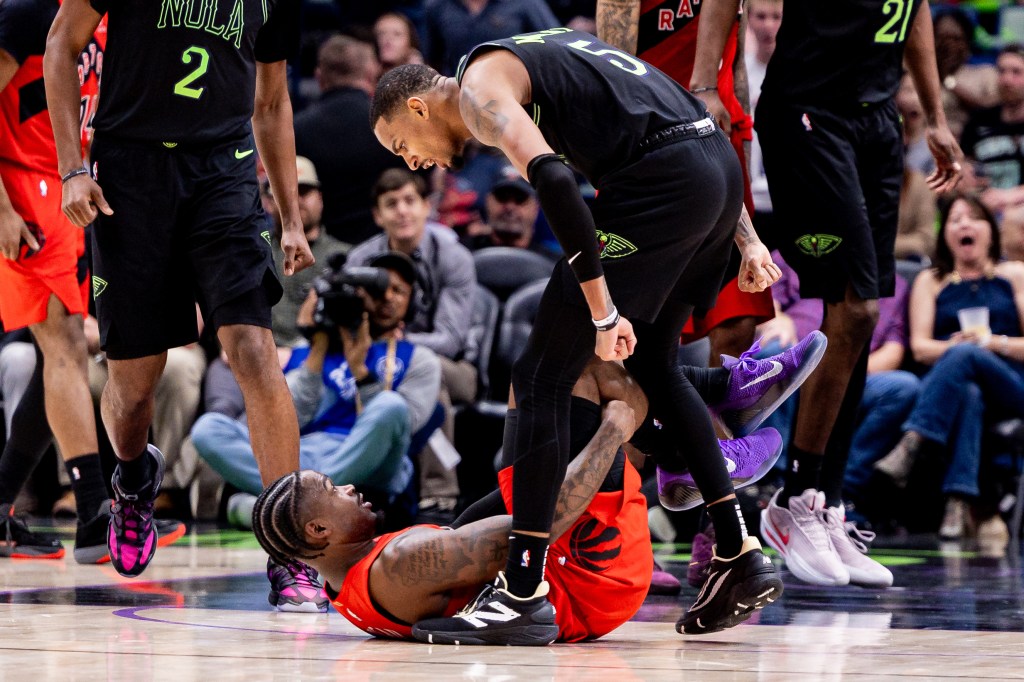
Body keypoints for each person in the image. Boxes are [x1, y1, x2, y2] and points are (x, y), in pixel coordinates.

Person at [367, 29, 819, 643]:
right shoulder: (541, 49)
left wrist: (602, 309)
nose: (411, 161)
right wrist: (743, 234)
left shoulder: (478, 90)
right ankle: (738, 553)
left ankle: (522, 593)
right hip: (714, 172)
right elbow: (691, 116)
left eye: (401, 144)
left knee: (539, 376)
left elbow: (553, 182)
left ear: (419, 106)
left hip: (661, 188)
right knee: (655, 363)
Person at [45, 0, 314, 580]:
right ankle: (134, 475)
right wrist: (72, 168)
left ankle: (288, 552)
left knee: (252, 347)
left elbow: (270, 102)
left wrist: (290, 215)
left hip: (224, 169)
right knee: (135, 383)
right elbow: (60, 45)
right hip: (131, 169)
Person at [252, 356, 786, 643]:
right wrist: (614, 431)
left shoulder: (355, 585)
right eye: (331, 491)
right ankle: (708, 437)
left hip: (570, 568)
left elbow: (481, 530)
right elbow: (539, 528)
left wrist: (522, 468)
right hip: (591, 579)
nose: (347, 487)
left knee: (533, 374)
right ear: (318, 532)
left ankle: (693, 446)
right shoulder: (398, 563)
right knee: (577, 369)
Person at [751, 0, 963, 588]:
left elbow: (914, 9)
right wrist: (704, 83)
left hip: (876, 120)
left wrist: (937, 115)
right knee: (856, 308)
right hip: (808, 111)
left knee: (860, 320)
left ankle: (827, 501)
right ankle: (791, 499)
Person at [194, 252, 443, 611]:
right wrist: (316, 352)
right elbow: (286, 417)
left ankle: (277, 505)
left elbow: (405, 426)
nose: (385, 299)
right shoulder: (308, 351)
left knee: (390, 407)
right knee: (209, 429)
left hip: (373, 462)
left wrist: (362, 372)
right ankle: (300, 500)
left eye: (396, 292)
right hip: (308, 457)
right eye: (376, 290)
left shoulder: (417, 358)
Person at [0, 0, 136, 561]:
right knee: (63, 348)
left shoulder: (103, 15)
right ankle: (92, 516)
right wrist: (1, 209)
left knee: (59, 358)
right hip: (23, 189)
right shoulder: (27, 13)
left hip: (67, 185)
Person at [596, 0, 776, 362]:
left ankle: (715, 416)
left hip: (721, 134)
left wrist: (742, 133)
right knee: (638, 333)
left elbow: (736, 55)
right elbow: (613, 76)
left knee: (737, 319)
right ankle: (655, 413)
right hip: (648, 145)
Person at [874, 194, 1024, 546]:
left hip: (1010, 383)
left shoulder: (1014, 273)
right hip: (953, 390)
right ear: (946, 235)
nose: (964, 225)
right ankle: (958, 500)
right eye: (955, 220)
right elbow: (922, 347)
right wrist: (961, 348)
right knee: (967, 387)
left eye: (974, 218)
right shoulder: (931, 280)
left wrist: (989, 343)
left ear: (991, 229)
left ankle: (913, 441)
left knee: (966, 354)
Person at [347, 168, 476, 521]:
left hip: (455, 369)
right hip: (377, 358)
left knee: (426, 371)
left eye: (409, 201)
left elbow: (450, 340)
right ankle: (356, 484)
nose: (401, 211)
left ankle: (440, 496)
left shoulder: (453, 258)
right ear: (378, 215)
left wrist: (398, 343)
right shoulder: (360, 260)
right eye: (391, 204)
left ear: (426, 207)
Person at [294, 35, 406, 245]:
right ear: (371, 73)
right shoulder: (393, 125)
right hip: (387, 252)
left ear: (319, 76)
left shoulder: (296, 129)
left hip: (320, 258)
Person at [959, 44, 1024, 215]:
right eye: (1001, 71)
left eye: (1016, 72)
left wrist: (1013, 195)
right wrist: (963, 171)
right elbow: (963, 161)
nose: (1007, 80)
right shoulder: (979, 120)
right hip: (985, 206)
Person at [422, 0, 558, 77]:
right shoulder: (437, 7)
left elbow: (555, 43)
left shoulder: (525, 4)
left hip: (516, 92)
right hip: (460, 93)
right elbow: (432, 59)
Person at [461, 165, 558, 260]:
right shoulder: (461, 254)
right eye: (502, 198)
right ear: (488, 202)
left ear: (536, 208)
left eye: (520, 200)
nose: (510, 207)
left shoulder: (552, 265)